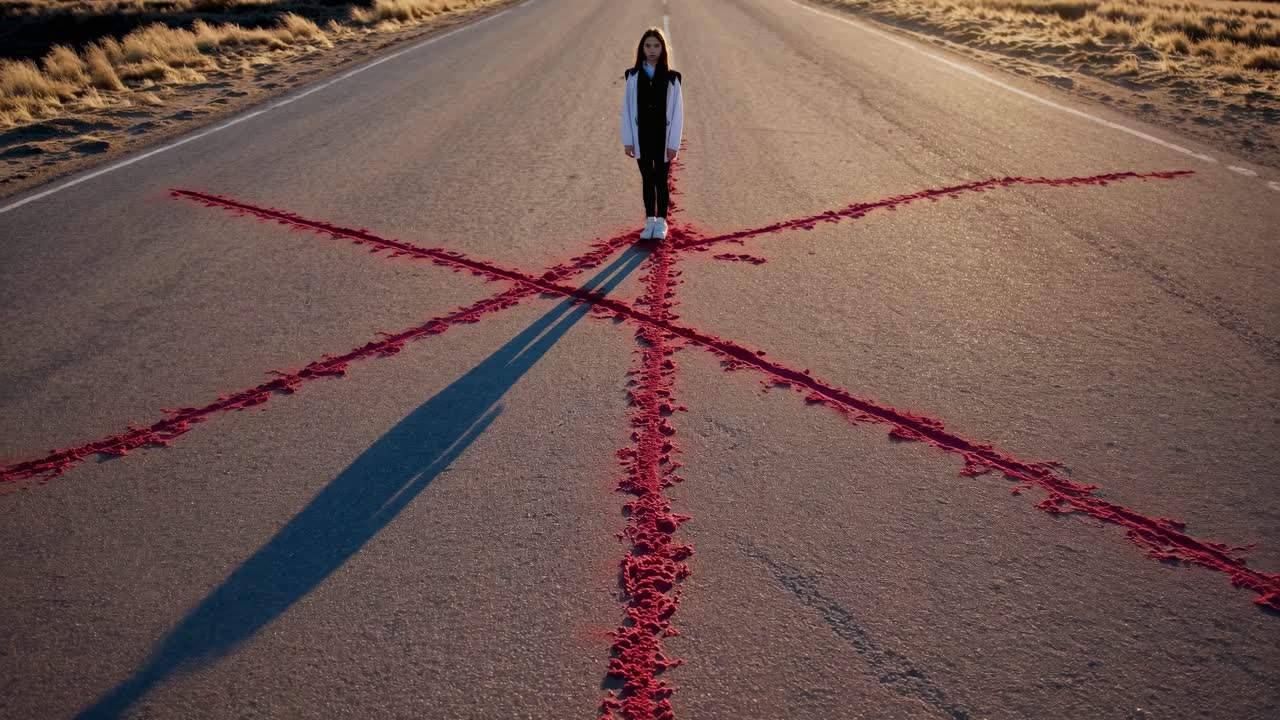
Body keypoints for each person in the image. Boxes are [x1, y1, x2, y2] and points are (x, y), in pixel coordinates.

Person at [621, 27, 683, 242]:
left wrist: (674, 143)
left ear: (662, 49)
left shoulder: (673, 78)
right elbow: (627, 110)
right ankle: (649, 220)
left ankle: (661, 221)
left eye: (656, 45)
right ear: (642, 48)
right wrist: (628, 141)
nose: (652, 50)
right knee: (647, 179)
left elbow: (677, 114)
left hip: (663, 137)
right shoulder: (633, 76)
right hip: (642, 137)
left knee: (661, 179)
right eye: (648, 45)